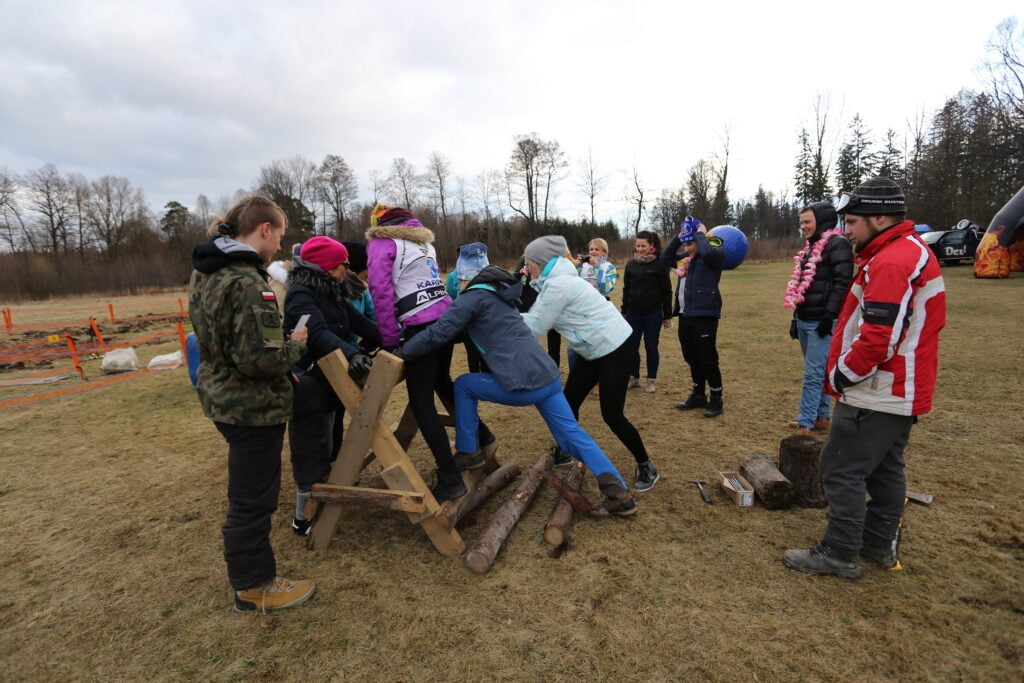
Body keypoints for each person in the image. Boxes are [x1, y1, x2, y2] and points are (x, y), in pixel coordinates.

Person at [783, 177, 946, 580]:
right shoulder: (901, 251)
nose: (846, 231)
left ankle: (840, 552)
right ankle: (876, 543)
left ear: (880, 217)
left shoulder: (892, 261)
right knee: (885, 469)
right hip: (899, 389)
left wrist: (840, 376)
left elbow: (877, 338)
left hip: (877, 390)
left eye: (853, 221)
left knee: (840, 468)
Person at [396, 264, 637, 515]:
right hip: (548, 377)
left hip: (525, 383)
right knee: (572, 434)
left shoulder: (472, 298)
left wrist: (403, 351)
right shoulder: (501, 297)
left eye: (460, 280)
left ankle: (469, 451)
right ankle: (618, 494)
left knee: (465, 385)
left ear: (468, 279)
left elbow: (438, 333)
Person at [188, 195, 315, 612]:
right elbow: (261, 359)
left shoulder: (205, 272)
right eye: (279, 236)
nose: (280, 246)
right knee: (252, 498)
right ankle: (254, 585)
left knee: (249, 494)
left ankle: (251, 579)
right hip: (251, 407)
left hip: (223, 398)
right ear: (264, 229)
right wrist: (295, 345)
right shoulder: (247, 283)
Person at [365, 204, 495, 502]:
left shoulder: (382, 242)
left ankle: (450, 476)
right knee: (441, 381)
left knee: (421, 401)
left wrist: (389, 340)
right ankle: (481, 436)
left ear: (378, 224)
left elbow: (381, 291)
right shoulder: (422, 240)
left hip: (418, 325)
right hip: (444, 318)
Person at [520, 235, 660, 492]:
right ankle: (565, 449)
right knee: (568, 401)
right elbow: (533, 303)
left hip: (615, 347)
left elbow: (536, 325)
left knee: (612, 414)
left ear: (540, 262)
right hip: (591, 349)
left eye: (529, 263)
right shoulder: (552, 281)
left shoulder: (559, 285)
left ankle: (647, 465)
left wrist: (496, 318)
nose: (526, 268)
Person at [283, 237, 381, 536]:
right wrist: (352, 354)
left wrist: (384, 339)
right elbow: (316, 333)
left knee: (332, 435)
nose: (348, 269)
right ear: (327, 266)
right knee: (311, 444)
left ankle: (330, 487)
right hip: (308, 383)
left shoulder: (331, 290)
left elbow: (356, 321)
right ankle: (303, 517)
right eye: (343, 264)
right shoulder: (300, 295)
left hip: (333, 377)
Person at [784, 203, 853, 434]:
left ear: (821, 221)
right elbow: (802, 286)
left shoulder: (837, 244)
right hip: (805, 318)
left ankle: (806, 422)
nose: (803, 226)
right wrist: (796, 317)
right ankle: (821, 416)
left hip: (821, 321)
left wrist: (829, 316)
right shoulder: (810, 247)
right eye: (801, 222)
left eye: (807, 222)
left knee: (813, 374)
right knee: (819, 371)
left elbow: (841, 283)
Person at [661, 216, 726, 417]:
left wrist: (699, 235)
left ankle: (716, 398)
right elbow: (664, 259)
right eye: (686, 244)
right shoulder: (684, 259)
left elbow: (706, 251)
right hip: (685, 313)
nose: (688, 248)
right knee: (692, 357)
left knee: (707, 358)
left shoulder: (714, 254)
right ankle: (698, 394)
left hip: (705, 314)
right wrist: (678, 238)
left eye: (691, 244)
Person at [621, 230, 673, 393]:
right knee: (631, 347)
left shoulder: (660, 265)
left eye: (643, 245)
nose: (640, 248)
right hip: (633, 314)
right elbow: (626, 289)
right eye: (638, 245)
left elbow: (667, 291)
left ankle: (651, 380)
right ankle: (633, 377)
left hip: (653, 314)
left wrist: (667, 315)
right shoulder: (630, 265)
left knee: (651, 347)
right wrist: (624, 311)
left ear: (652, 246)